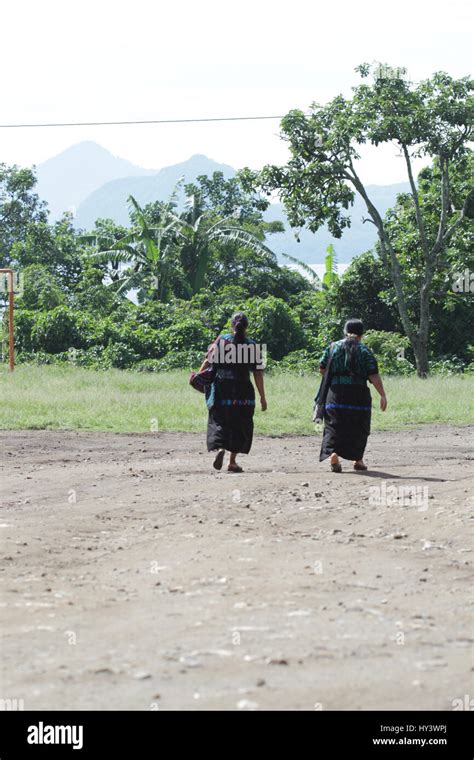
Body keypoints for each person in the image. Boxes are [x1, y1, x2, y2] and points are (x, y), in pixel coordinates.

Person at [199, 312, 267, 473]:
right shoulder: (253, 346)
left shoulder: (222, 340)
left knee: (220, 420)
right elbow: (258, 373)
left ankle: (221, 447)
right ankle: (232, 461)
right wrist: (263, 397)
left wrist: (199, 376)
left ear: (232, 325)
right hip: (244, 391)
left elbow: (208, 360)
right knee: (241, 423)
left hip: (223, 388)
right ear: (247, 327)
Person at [319, 319, 387, 472]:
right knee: (359, 427)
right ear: (362, 334)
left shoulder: (332, 348)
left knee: (333, 425)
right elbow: (373, 375)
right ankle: (358, 460)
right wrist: (382, 395)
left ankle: (334, 454)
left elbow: (322, 368)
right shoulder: (365, 351)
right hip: (358, 394)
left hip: (335, 393)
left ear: (345, 331)